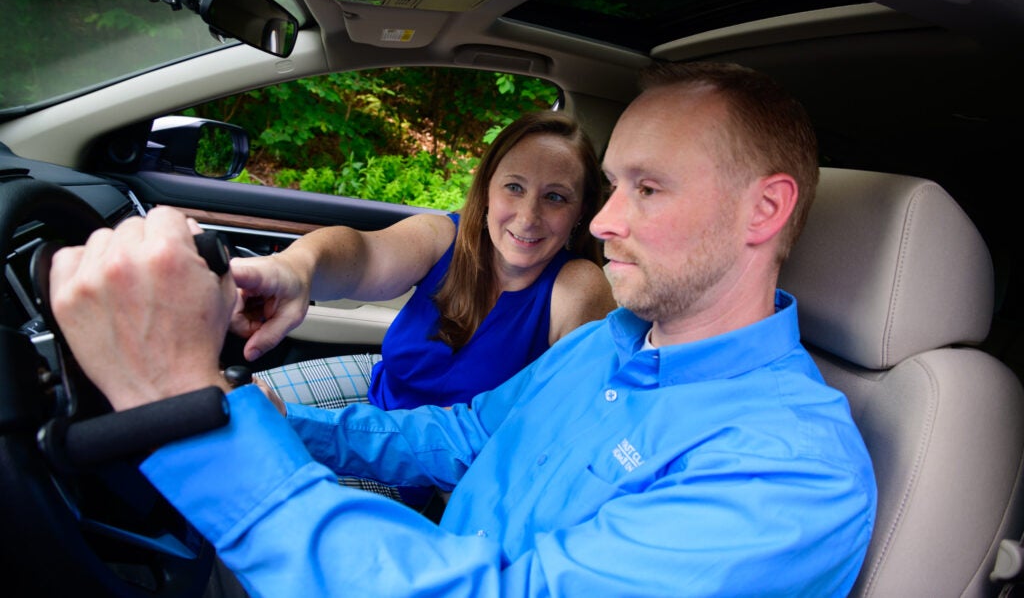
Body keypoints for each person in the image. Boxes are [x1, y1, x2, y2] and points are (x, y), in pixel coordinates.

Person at [49, 61, 877, 597]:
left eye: (648, 190)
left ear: (763, 210)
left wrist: (180, 408)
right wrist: (251, 420)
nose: (603, 221)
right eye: (612, 186)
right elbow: (466, 432)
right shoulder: (612, 343)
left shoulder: (790, 471)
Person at [231, 110, 614, 417]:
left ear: (581, 212)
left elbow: (564, 423)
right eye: (514, 187)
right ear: (486, 191)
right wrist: (299, 267)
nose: (528, 216)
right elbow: (362, 254)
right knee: (230, 409)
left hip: (440, 467)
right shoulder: (444, 236)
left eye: (556, 197)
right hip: (378, 390)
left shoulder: (577, 287)